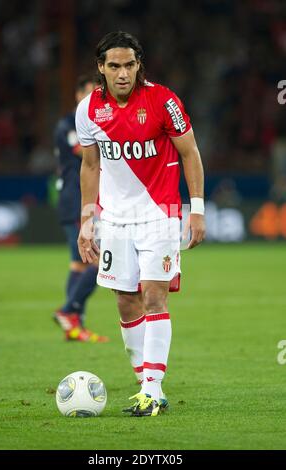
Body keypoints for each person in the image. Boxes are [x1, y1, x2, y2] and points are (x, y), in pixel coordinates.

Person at [76, 32, 205, 416]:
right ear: (101, 68)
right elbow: (90, 165)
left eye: (129, 65)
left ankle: (154, 388)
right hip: (114, 219)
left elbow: (190, 152)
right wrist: (87, 221)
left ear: (139, 66)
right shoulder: (88, 110)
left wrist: (195, 208)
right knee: (125, 301)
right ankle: (142, 381)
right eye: (113, 66)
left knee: (153, 295)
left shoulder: (164, 100)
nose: (122, 73)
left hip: (160, 214)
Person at [54, 76, 109, 343]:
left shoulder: (86, 123)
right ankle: (69, 311)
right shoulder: (69, 124)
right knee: (98, 262)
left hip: (77, 199)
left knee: (78, 263)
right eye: (88, 93)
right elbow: (84, 153)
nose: (93, 99)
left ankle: (74, 327)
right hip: (76, 200)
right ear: (78, 95)